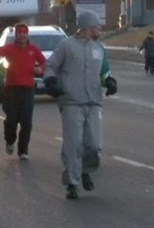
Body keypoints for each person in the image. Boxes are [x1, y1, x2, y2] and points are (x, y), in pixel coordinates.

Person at [43, 10, 118, 199]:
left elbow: (104, 72)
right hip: (71, 101)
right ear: (88, 28)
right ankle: (72, 184)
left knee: (93, 144)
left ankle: (85, 170)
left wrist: (109, 82)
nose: (99, 30)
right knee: (73, 143)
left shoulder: (98, 48)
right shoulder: (66, 46)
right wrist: (51, 81)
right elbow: (51, 65)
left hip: (94, 102)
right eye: (96, 27)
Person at [0, 24, 46, 160]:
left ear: (27, 35)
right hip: (11, 89)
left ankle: (23, 151)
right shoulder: (9, 48)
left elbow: (43, 62)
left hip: (27, 89)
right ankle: (10, 140)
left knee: (26, 121)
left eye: (24, 33)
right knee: (11, 118)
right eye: (19, 33)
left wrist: (40, 69)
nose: (22, 35)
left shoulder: (33, 49)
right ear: (16, 35)